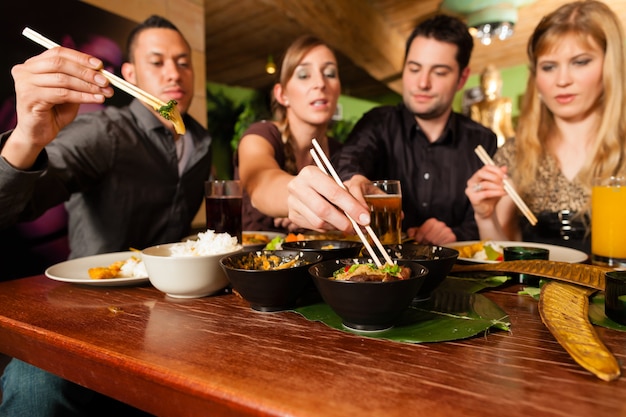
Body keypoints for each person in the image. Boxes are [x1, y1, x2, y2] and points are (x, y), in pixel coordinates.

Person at [0, 15, 211, 416]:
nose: (174, 73)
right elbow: (13, 206)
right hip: (88, 311)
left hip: (173, 310)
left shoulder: (199, 141)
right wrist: (27, 136)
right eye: (158, 61)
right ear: (128, 73)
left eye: (184, 62)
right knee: (35, 388)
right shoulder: (105, 131)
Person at [286, 14, 497, 245]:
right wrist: (354, 180)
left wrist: (454, 234)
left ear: (461, 78)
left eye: (439, 72)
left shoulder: (482, 140)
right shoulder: (378, 122)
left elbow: (484, 219)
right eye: (414, 69)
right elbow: (352, 157)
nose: (422, 83)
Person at [465, 0, 626, 254]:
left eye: (580, 62)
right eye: (549, 67)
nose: (562, 80)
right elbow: (503, 256)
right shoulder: (515, 153)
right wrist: (486, 217)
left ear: (610, 66)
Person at [235, 35, 342, 233]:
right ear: (282, 94)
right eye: (304, 75)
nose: (320, 83)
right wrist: (296, 201)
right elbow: (261, 183)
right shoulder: (259, 136)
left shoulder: (340, 152)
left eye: (330, 73)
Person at [470, 64, 515, 147]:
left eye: (489, 80)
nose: (486, 84)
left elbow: (507, 127)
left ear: (498, 82)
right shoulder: (476, 106)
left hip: (500, 142)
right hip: (482, 144)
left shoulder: (504, 102)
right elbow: (474, 131)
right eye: (483, 81)